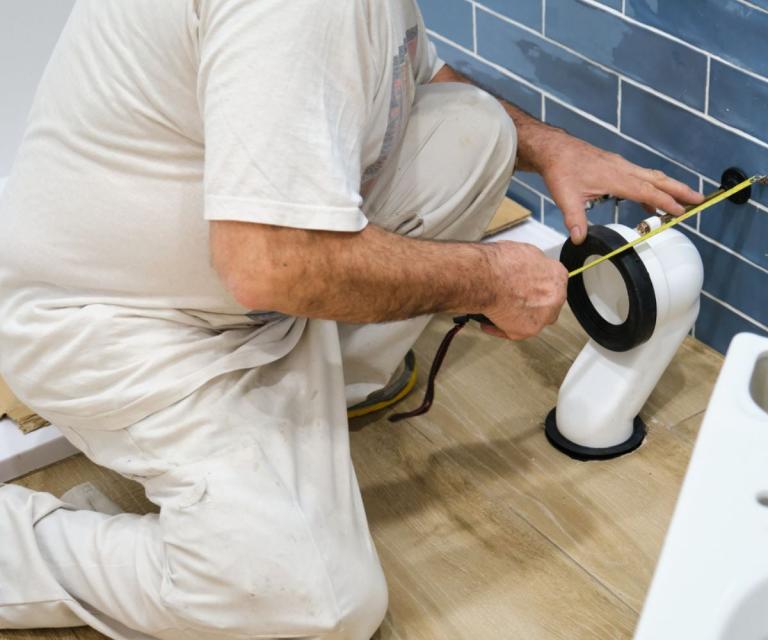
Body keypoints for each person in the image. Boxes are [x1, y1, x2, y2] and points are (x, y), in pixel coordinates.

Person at [0, 1, 703, 638]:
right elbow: (267, 264)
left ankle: (311, 408)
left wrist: (550, 146)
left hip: (239, 287)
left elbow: (419, 78)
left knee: (474, 130)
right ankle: (24, 550)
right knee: (317, 603)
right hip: (119, 324)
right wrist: (490, 276)